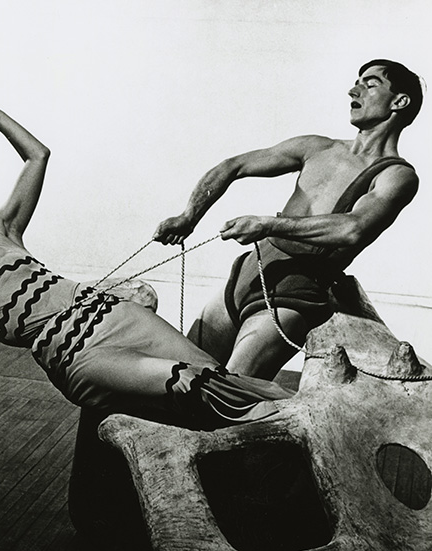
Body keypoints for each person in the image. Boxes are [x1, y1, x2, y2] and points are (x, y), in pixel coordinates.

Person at [0, 90, 292, 429]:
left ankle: (301, 416)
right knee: (190, 383)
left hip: (112, 314)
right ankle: (293, 421)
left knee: (219, 377)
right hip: (75, 354)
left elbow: (37, 156)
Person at [154, 59, 423, 380]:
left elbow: (354, 228)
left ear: (399, 101)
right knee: (183, 378)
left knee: (230, 390)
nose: (354, 90)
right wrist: (188, 216)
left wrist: (269, 224)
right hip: (249, 272)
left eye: (370, 83)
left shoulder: (396, 175)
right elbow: (233, 166)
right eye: (356, 82)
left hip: (296, 291)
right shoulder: (315, 147)